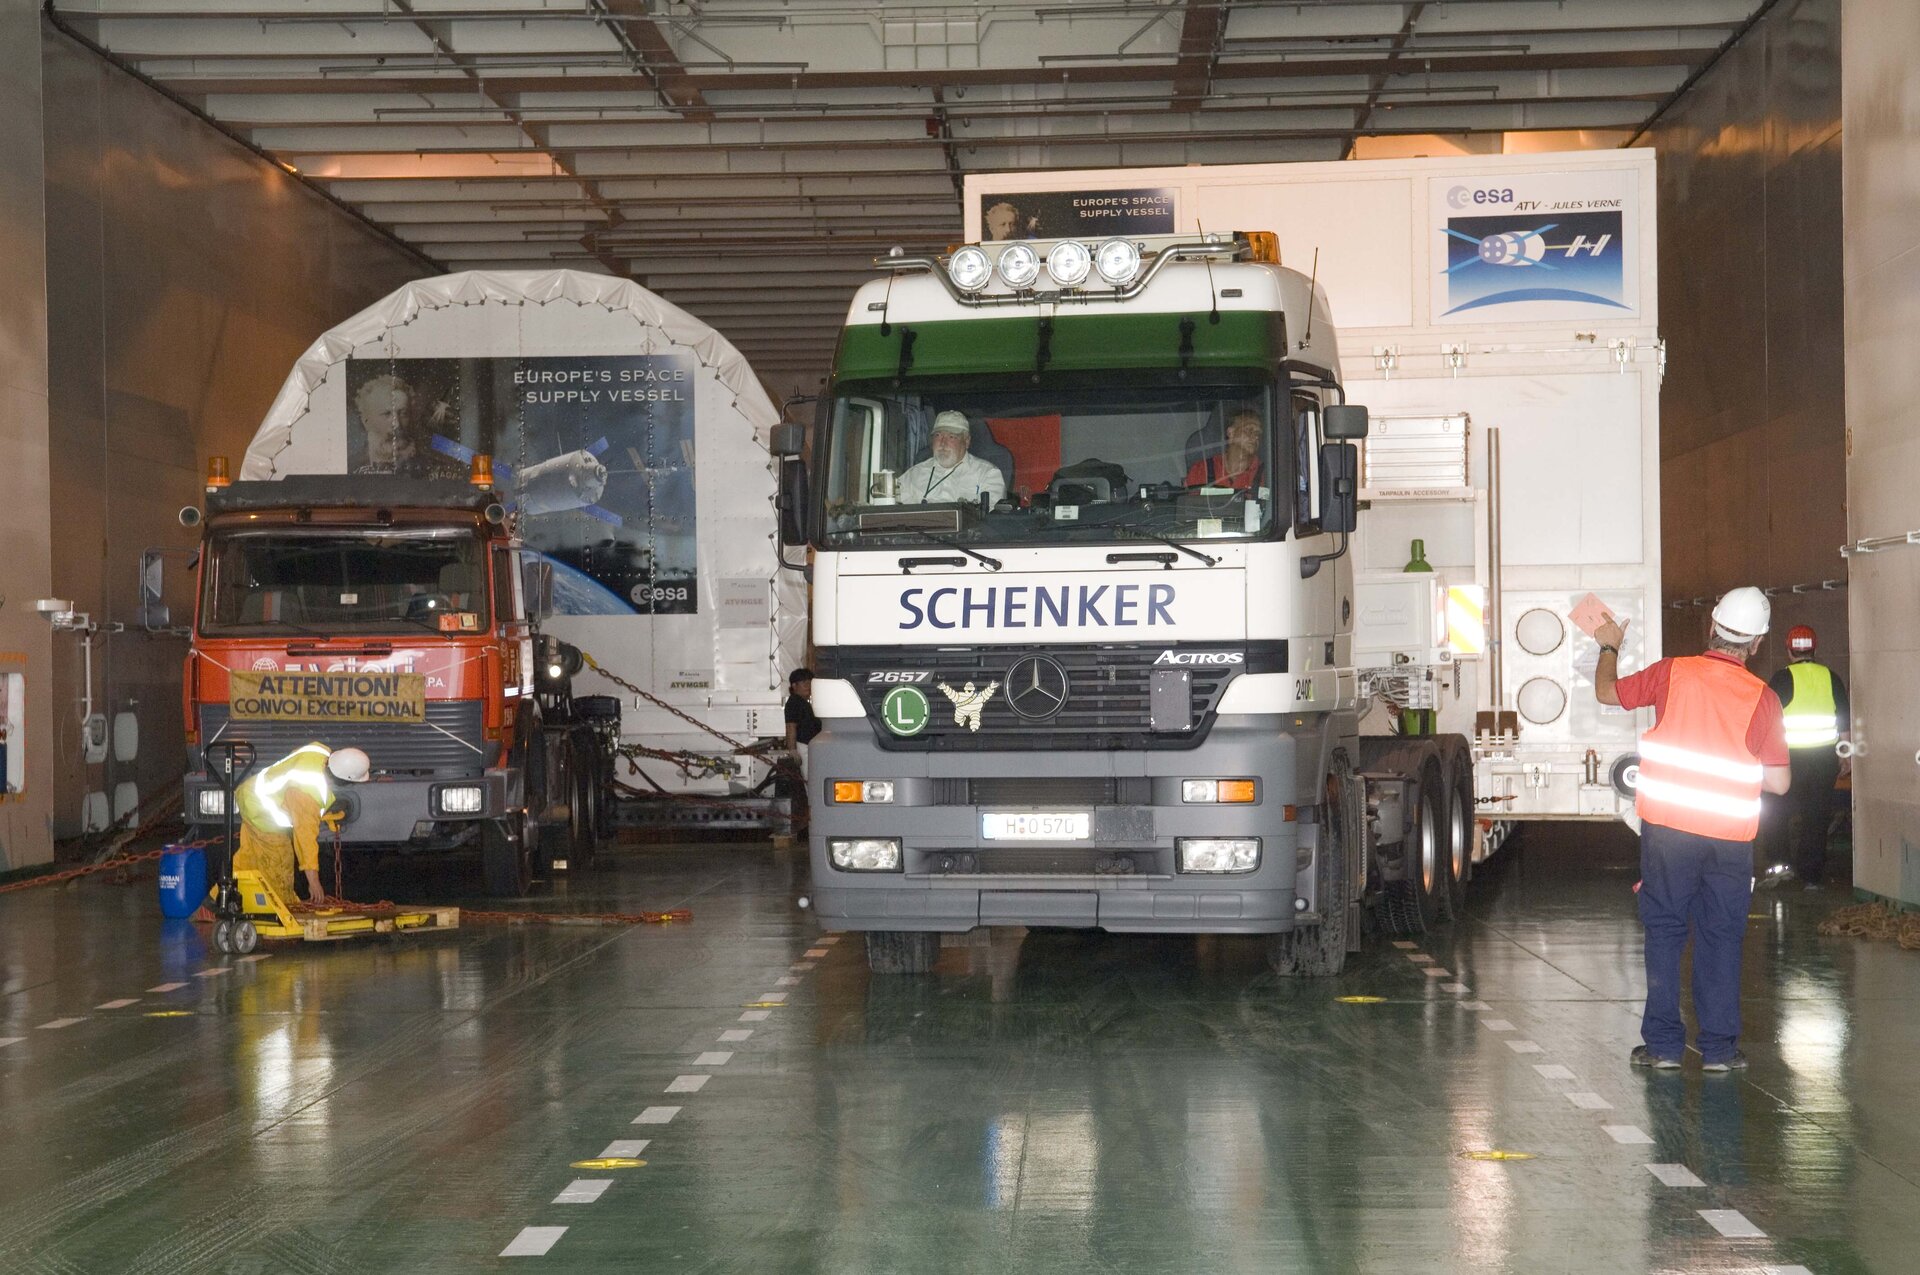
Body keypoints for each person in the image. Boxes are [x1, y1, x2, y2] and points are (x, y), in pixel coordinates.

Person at [1594, 587, 1790, 1073]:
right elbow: (1781, 783)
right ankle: (1720, 1051)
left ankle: (1662, 1048)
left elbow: (1606, 692)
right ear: (1758, 643)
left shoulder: (1671, 673)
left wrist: (1608, 646)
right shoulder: (1763, 698)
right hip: (1729, 840)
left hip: (1669, 833)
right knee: (1721, 937)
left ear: (1712, 626)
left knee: (1664, 931)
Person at [1762, 625, 1850, 888]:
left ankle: (1780, 867)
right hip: (1823, 761)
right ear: (1814, 648)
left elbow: (1766, 720)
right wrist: (1845, 756)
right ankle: (1811, 876)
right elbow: (1843, 722)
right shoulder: (1831, 677)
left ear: (1789, 650)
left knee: (1776, 812)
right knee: (1816, 817)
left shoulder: (1781, 678)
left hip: (1788, 761)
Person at [231, 743, 371, 907]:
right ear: (344, 781)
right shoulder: (308, 795)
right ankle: (284, 911)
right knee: (280, 864)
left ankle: (219, 899)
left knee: (250, 858)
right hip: (263, 814)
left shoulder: (318, 751)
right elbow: (305, 840)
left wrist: (319, 814)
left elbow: (296, 794)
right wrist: (314, 882)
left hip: (251, 793)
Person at [898, 412, 1008, 507]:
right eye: (938, 435)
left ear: (967, 441)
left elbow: (991, 519)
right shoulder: (913, 475)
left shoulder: (988, 473)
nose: (943, 443)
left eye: (951, 437)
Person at [1185, 409, 1263, 490]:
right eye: (1249, 430)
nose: (1255, 437)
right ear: (1231, 433)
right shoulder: (1201, 470)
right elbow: (1188, 501)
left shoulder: (1267, 474)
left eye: (1258, 433)